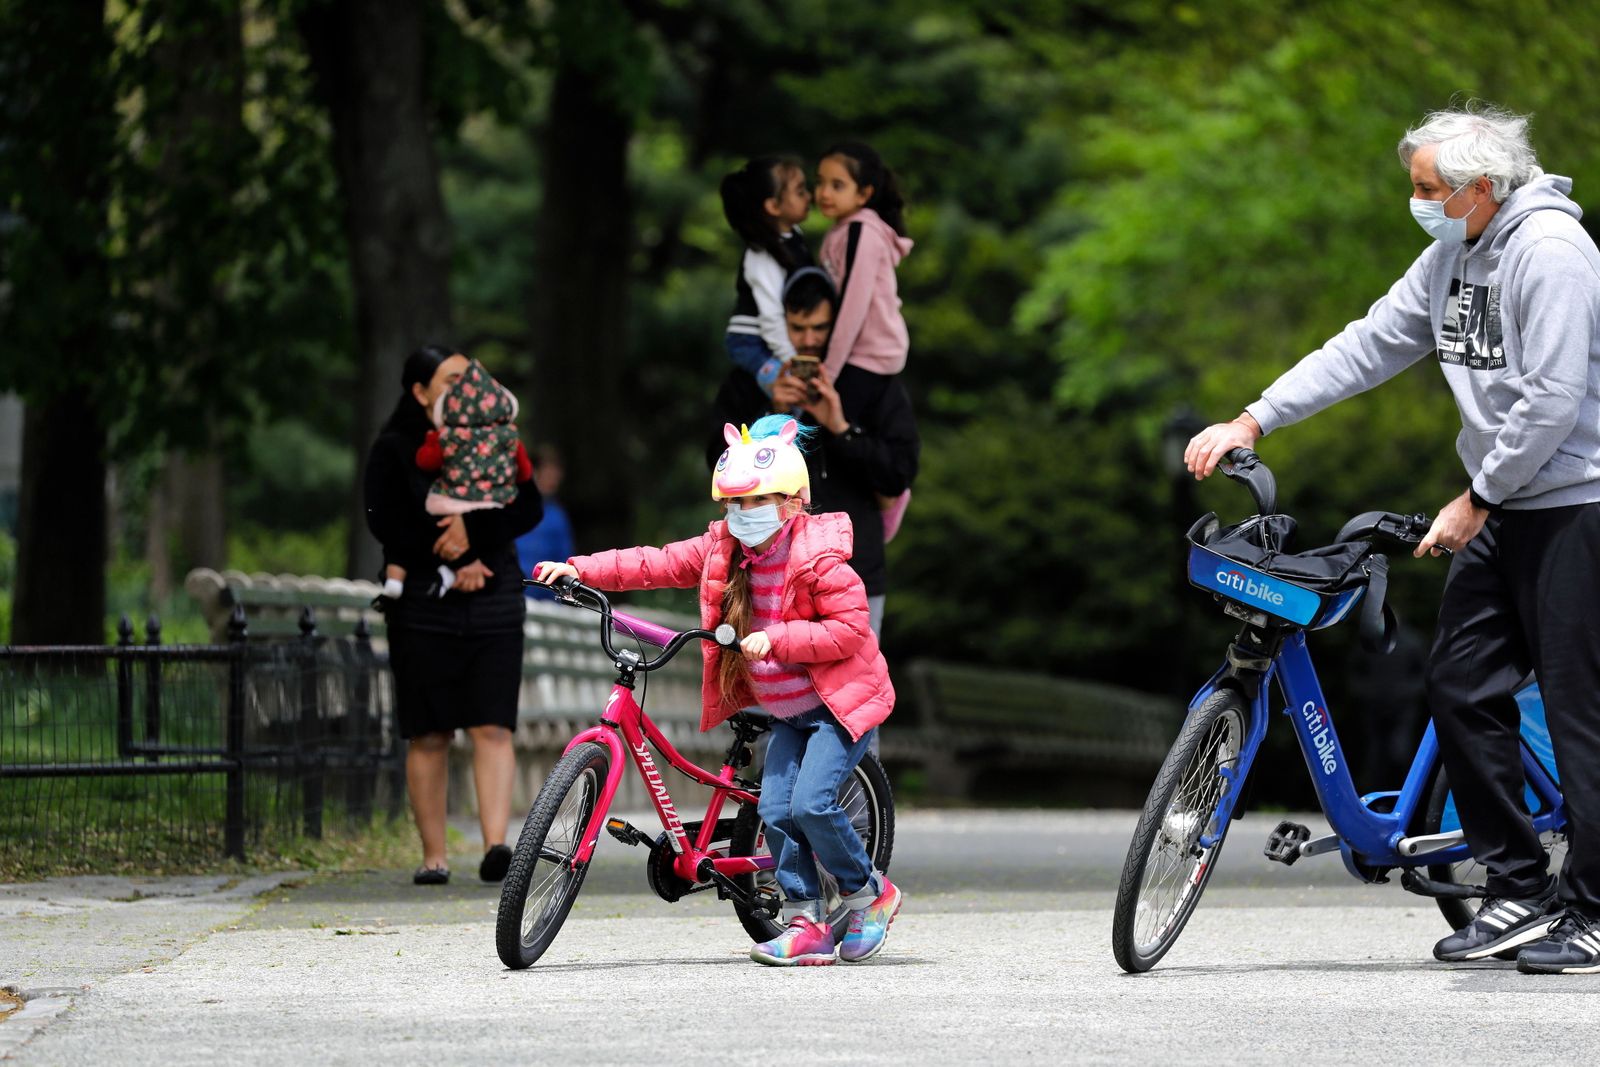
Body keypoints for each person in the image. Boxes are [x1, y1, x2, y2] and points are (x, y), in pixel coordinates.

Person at [1184, 104, 1600, 974]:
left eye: (1427, 188)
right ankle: (1518, 889)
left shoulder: (1551, 252)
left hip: (1576, 505)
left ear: (1480, 188)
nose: (1414, 201)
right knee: (1457, 685)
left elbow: (1555, 397)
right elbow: (1370, 343)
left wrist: (1478, 496)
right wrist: (1255, 416)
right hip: (1508, 504)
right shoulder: (1456, 249)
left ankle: (1592, 910)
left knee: (1576, 709)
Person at [531, 415, 903, 966]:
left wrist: (777, 638)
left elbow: (849, 631)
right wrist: (578, 570)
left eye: (756, 503)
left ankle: (869, 893)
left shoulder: (822, 559)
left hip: (837, 707)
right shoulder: (724, 548)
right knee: (775, 812)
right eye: (734, 504)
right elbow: (653, 562)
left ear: (792, 502)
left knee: (812, 804)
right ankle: (806, 922)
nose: (742, 515)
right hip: (789, 715)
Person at [363, 344, 543, 887]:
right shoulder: (394, 448)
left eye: (470, 377)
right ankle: (434, 855)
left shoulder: (497, 437)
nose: (465, 387)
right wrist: (454, 552)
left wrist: (477, 542)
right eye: (449, 379)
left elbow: (527, 506)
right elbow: (384, 519)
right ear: (420, 392)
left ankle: (495, 846)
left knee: (492, 724)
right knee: (431, 730)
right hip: (423, 601)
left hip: (493, 596)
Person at [707, 268, 920, 636]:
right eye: (798, 327)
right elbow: (718, 464)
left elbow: (899, 472)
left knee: (849, 691)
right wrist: (771, 413)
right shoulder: (748, 382)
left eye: (820, 328)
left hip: (854, 571)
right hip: (765, 574)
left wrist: (840, 427)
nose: (809, 340)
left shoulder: (871, 381)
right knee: (771, 689)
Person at [815, 141, 916, 529]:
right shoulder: (843, 231)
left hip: (865, 356)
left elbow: (853, 308)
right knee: (834, 441)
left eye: (837, 185)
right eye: (820, 182)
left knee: (834, 442)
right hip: (857, 355)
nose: (824, 193)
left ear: (864, 193)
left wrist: (830, 371)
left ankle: (890, 500)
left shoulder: (862, 231)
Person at [379, 357, 530, 603]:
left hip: (451, 502)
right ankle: (456, 568)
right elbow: (523, 474)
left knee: (429, 509)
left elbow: (426, 461)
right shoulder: (509, 437)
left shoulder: (448, 436)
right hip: (495, 502)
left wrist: (432, 441)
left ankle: (399, 576)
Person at [720, 155, 815, 394]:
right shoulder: (762, 255)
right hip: (752, 342)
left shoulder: (793, 236)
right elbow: (771, 317)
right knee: (791, 390)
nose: (810, 196)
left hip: (772, 337)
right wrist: (793, 360)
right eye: (800, 191)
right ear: (773, 206)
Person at [515, 444, 575, 603]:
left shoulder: (558, 516)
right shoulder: (516, 507)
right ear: (535, 472)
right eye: (549, 473)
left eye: (556, 475)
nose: (552, 480)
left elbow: (565, 560)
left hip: (545, 602)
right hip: (514, 594)